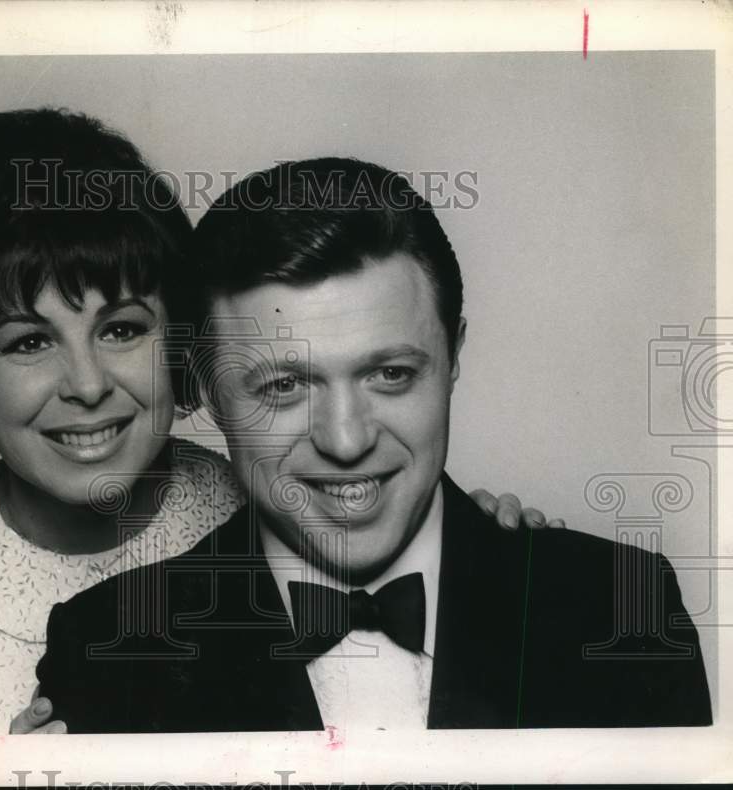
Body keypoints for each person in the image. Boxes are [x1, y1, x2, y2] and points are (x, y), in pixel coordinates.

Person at [0, 112, 547, 735]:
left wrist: (483, 554)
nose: (89, 386)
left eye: (123, 329)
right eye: (29, 342)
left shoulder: (272, 484)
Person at [37, 157, 712, 731]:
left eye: (390, 375)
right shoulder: (106, 649)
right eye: (283, 387)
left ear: (452, 358)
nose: (346, 440)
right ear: (211, 396)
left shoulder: (624, 609)